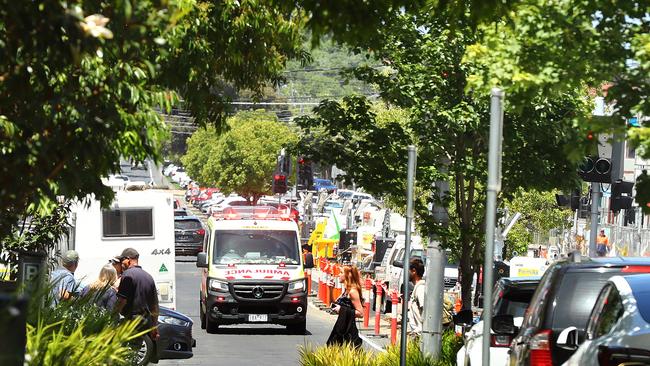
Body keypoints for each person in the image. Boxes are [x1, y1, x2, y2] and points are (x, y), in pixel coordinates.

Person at [114, 248, 160, 342]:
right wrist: (154, 326)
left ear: (128, 259)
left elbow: (122, 300)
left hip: (131, 322)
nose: (121, 264)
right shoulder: (148, 277)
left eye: (122, 260)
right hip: (145, 322)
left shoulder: (127, 275)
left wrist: (113, 314)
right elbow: (154, 306)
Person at [327, 265, 364, 348]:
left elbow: (361, 313)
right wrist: (330, 289)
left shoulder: (353, 291)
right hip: (341, 326)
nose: (339, 275)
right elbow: (334, 305)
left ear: (348, 275)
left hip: (349, 330)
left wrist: (342, 310)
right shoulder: (346, 291)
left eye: (341, 273)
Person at [407, 257, 426, 336]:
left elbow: (426, 311)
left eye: (407, 271)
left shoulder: (420, 289)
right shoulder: (417, 288)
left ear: (414, 271)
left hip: (421, 336)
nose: (406, 273)